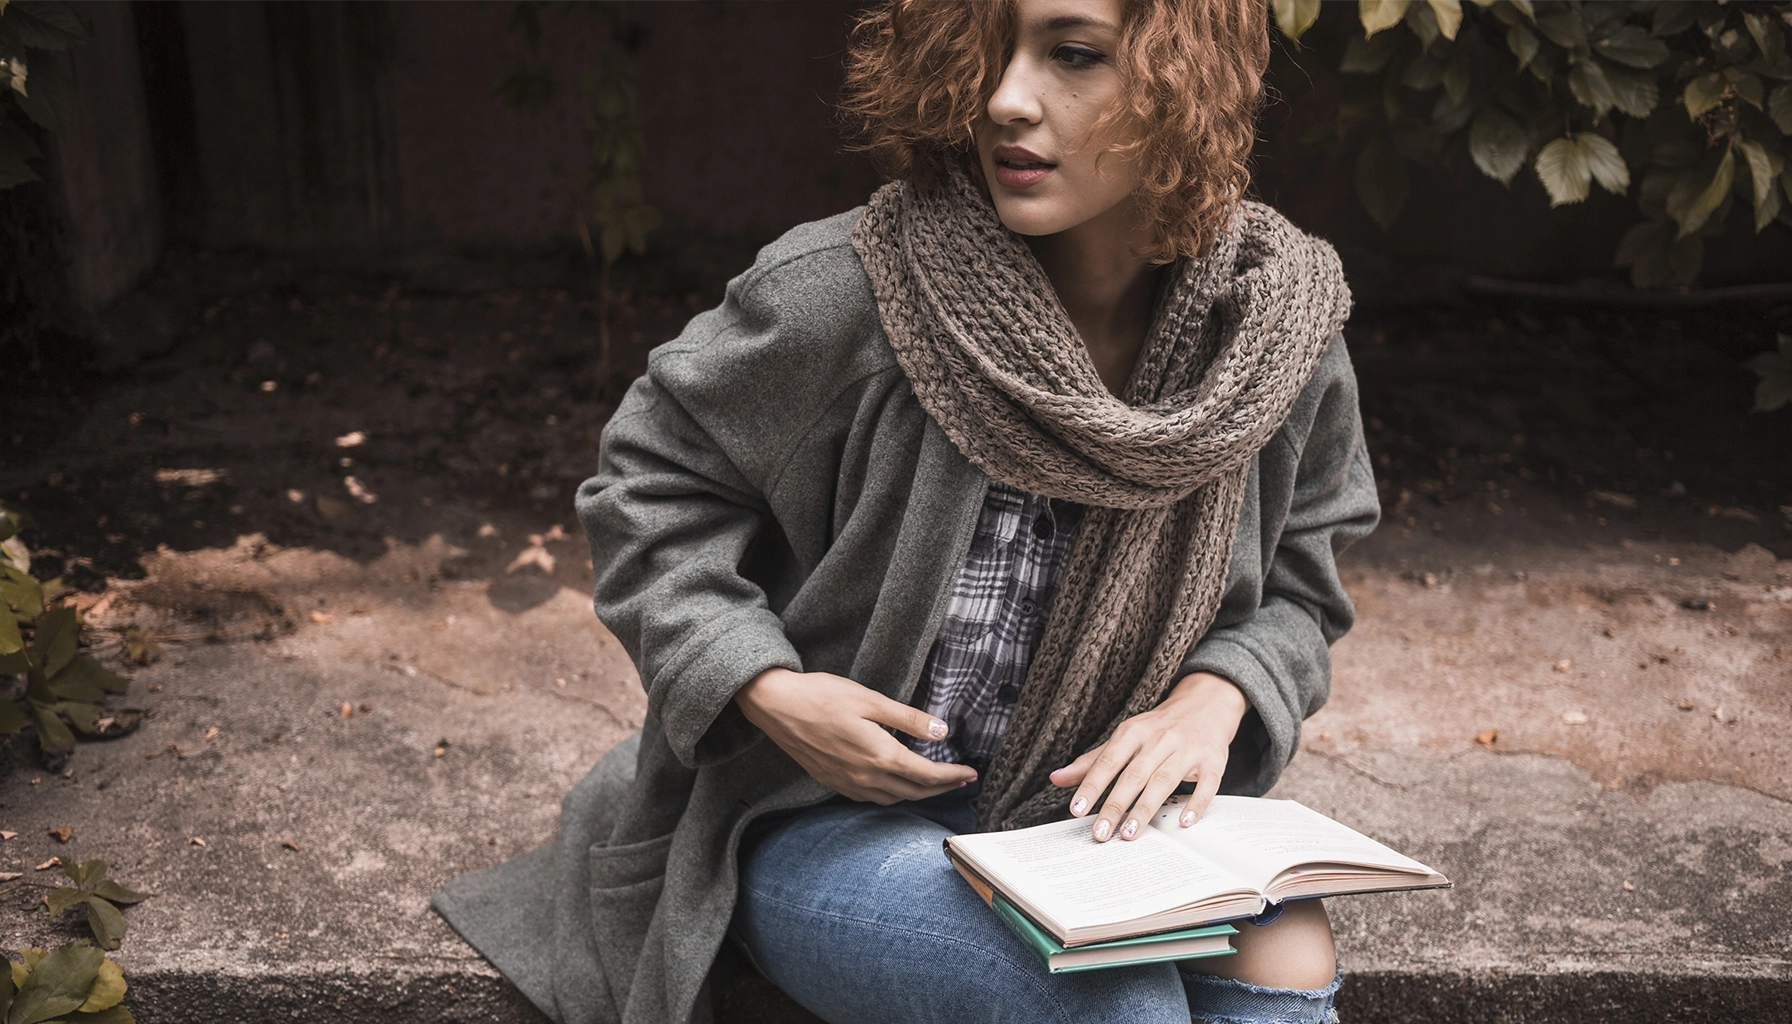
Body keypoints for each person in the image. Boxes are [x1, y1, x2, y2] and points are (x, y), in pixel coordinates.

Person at [432, 1, 1376, 1022]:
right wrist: (765, 687)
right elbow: (646, 490)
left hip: (1093, 830)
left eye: (1072, 55)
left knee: (1285, 955)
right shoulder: (847, 296)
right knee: (1112, 997)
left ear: (1184, 80)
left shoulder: (1271, 338)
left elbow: (1301, 578)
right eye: (990, 52)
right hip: (817, 814)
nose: (1005, 99)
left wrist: (1219, 692)